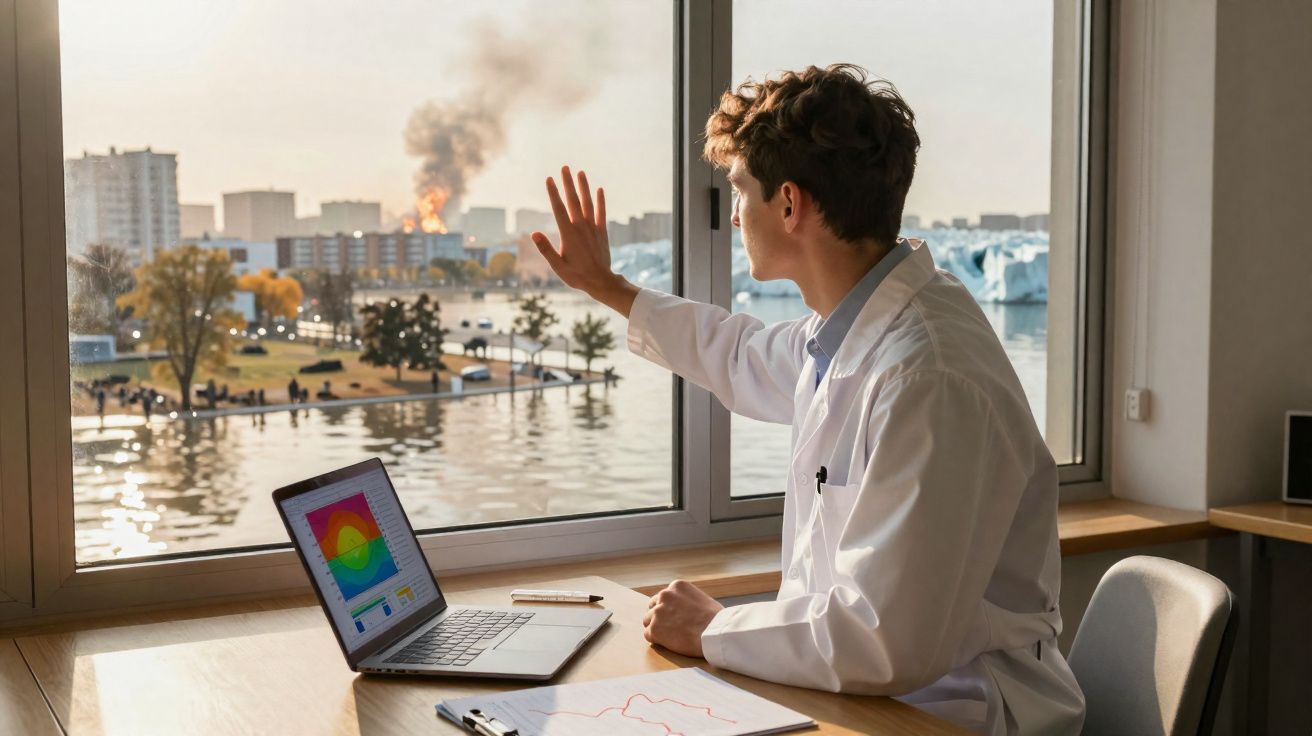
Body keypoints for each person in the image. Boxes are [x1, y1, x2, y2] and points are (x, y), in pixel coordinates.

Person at [529, 64, 1083, 734]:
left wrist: (715, 628)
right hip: (872, 698)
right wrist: (608, 287)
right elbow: (736, 353)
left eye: (739, 192)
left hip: (956, 713)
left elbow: (884, 641)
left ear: (789, 204)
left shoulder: (927, 377)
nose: (733, 216)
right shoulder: (849, 333)